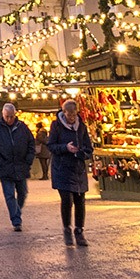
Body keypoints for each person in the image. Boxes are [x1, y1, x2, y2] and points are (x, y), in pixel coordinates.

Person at [47, 99, 92, 247]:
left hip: (78, 169)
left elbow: (88, 148)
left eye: (74, 114)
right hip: (62, 169)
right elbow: (51, 146)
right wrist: (65, 148)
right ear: (63, 112)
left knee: (80, 201)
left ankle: (79, 231)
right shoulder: (56, 126)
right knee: (67, 200)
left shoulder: (81, 127)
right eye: (69, 115)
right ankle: (67, 229)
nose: (72, 118)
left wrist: (82, 153)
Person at [0, 103, 34, 232]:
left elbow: (31, 143)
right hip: (5, 166)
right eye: (7, 116)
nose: (9, 119)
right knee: (9, 195)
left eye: (12, 116)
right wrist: (0, 160)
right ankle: (16, 220)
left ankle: (16, 211)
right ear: (3, 115)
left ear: (15, 115)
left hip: (21, 166)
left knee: (23, 193)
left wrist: (28, 160)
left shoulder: (22, 127)